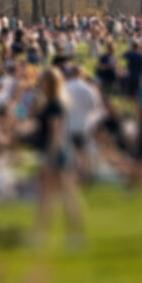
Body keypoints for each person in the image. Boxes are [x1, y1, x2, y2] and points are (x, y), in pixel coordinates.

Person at [32, 67, 85, 246]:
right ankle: (45, 234)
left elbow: (56, 132)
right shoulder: (56, 103)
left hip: (56, 152)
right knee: (55, 195)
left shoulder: (55, 105)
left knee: (61, 195)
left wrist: (50, 156)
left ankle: (69, 236)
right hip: (58, 151)